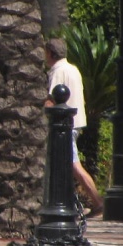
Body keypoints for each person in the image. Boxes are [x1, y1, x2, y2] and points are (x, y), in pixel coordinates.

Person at [45, 37, 104, 219]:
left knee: (73, 165)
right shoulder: (73, 69)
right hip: (76, 122)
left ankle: (98, 201)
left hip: (64, 125)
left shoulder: (57, 71)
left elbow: (51, 99)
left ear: (50, 53)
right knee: (67, 164)